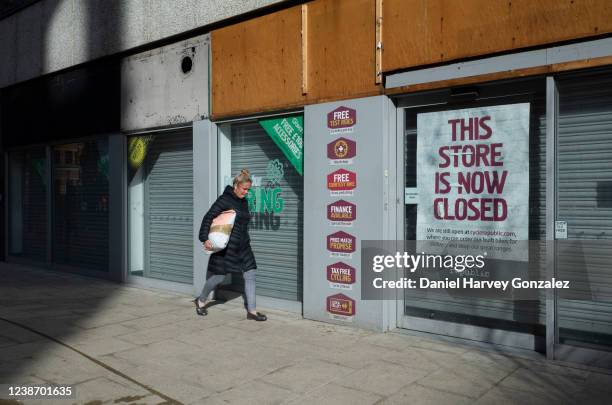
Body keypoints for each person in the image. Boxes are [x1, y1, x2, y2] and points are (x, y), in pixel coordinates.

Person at [194, 169, 267, 321]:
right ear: (236, 185)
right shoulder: (224, 199)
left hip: (243, 246)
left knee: (251, 274)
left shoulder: (244, 201)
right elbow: (208, 217)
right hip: (226, 248)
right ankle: (201, 300)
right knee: (219, 277)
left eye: (248, 190)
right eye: (244, 189)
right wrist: (204, 238)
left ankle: (252, 311)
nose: (246, 192)